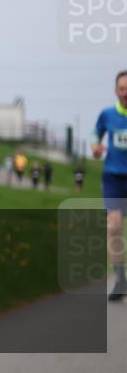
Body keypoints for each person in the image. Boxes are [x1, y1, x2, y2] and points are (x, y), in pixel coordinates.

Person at [91, 70, 127, 302]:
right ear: (116, 91)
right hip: (114, 178)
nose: (126, 93)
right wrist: (95, 147)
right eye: (122, 88)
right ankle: (121, 279)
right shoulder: (107, 114)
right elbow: (96, 134)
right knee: (113, 228)